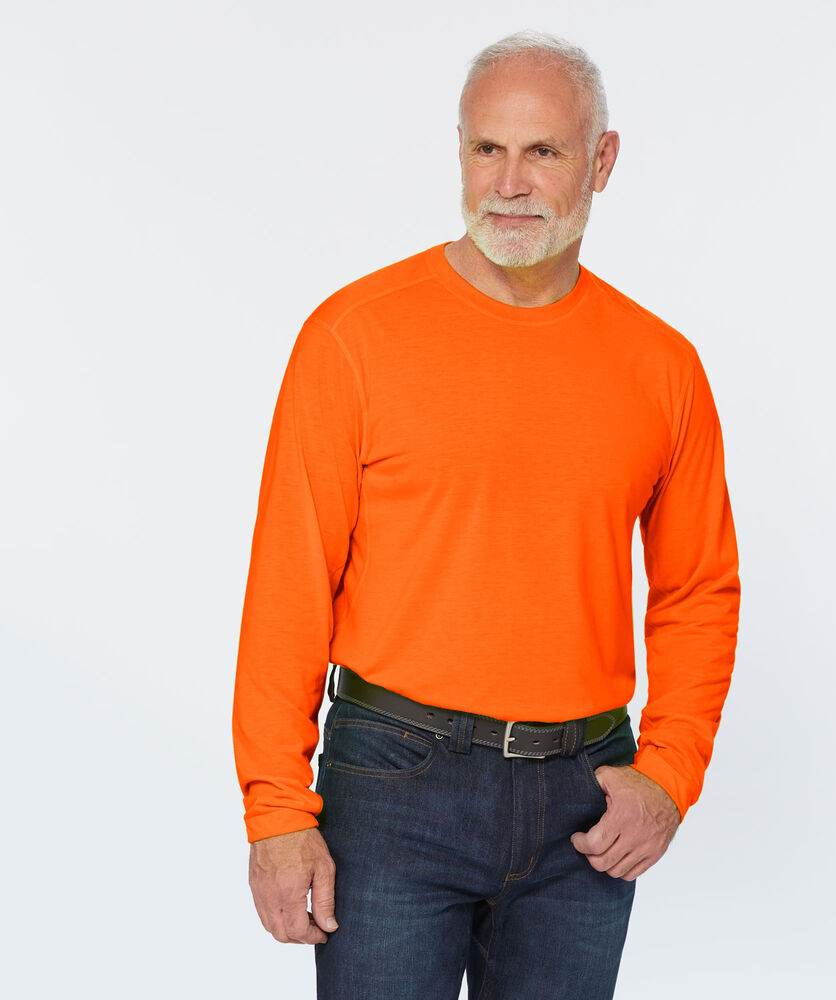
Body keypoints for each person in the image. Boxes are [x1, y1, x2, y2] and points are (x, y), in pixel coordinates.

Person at [232, 29, 740, 1000]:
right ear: (458, 151)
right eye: (486, 149)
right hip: (391, 782)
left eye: (543, 151)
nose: (509, 183)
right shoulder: (353, 337)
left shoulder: (661, 366)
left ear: (602, 160)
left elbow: (698, 589)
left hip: (583, 800)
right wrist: (276, 811)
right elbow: (289, 584)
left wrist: (669, 773)